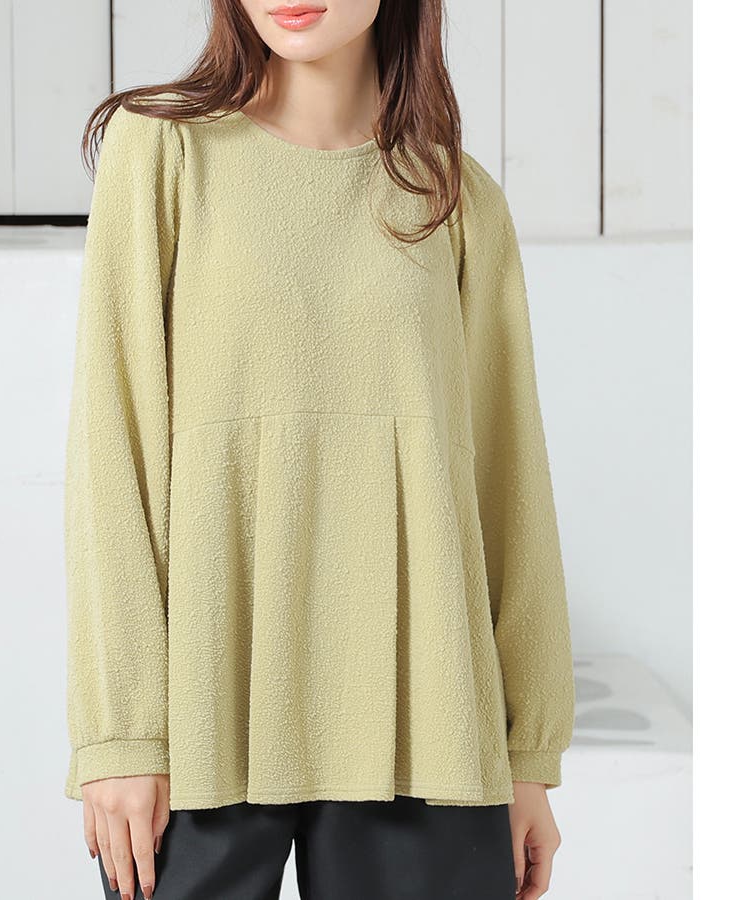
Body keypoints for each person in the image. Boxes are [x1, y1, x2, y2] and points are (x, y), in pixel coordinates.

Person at [62, 2, 576, 898]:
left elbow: (509, 482)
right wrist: (121, 733)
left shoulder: (458, 198)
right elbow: (115, 452)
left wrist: (525, 752)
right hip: (203, 716)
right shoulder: (163, 153)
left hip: (428, 723)